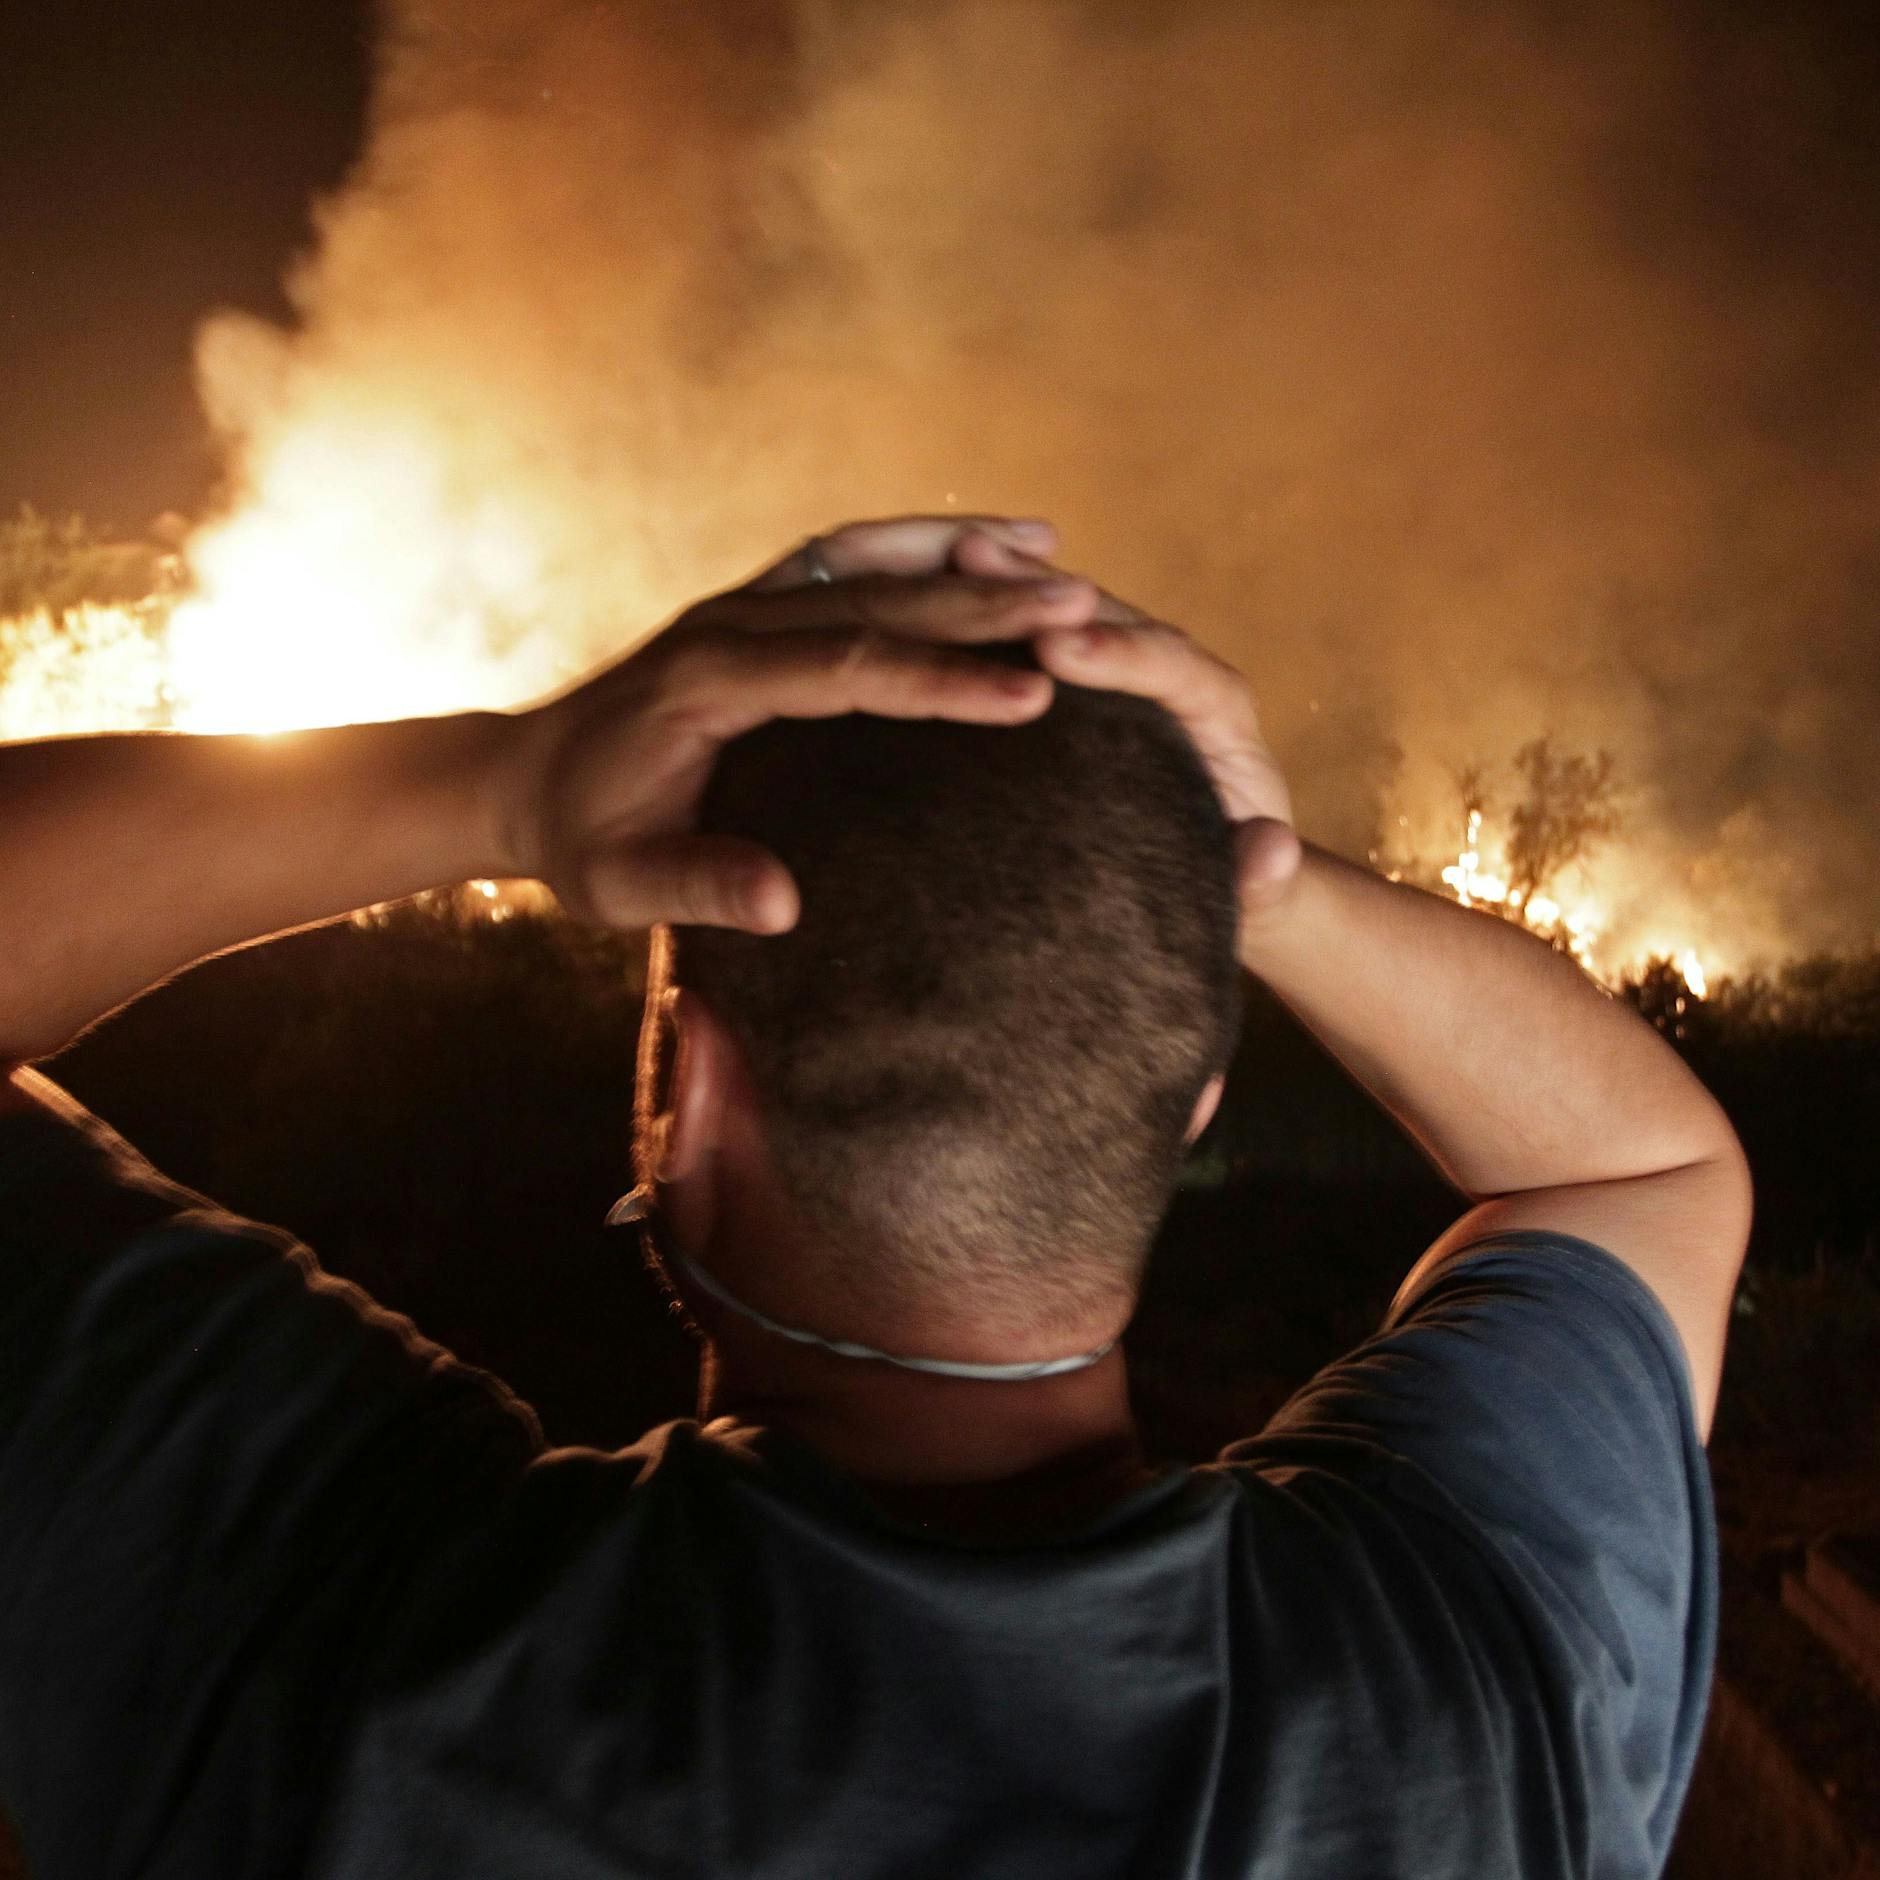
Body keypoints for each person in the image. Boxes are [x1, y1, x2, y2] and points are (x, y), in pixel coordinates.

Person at [0, 514, 1747, 1879]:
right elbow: (1637, 1170)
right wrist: (1246, 885)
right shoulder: (1466, 1693)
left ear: (686, 1098)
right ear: (1190, 1101)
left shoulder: (327, 1654)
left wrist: (509, 785)